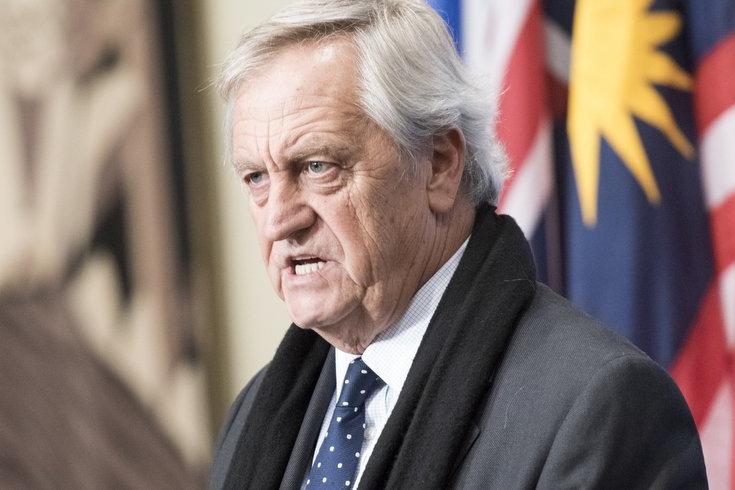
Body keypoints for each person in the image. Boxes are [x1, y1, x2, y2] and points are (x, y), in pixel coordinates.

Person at [209, 1, 707, 488]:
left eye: (318, 166)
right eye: (256, 178)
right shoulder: (257, 411)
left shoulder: (598, 407)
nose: (279, 219)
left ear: (440, 165)